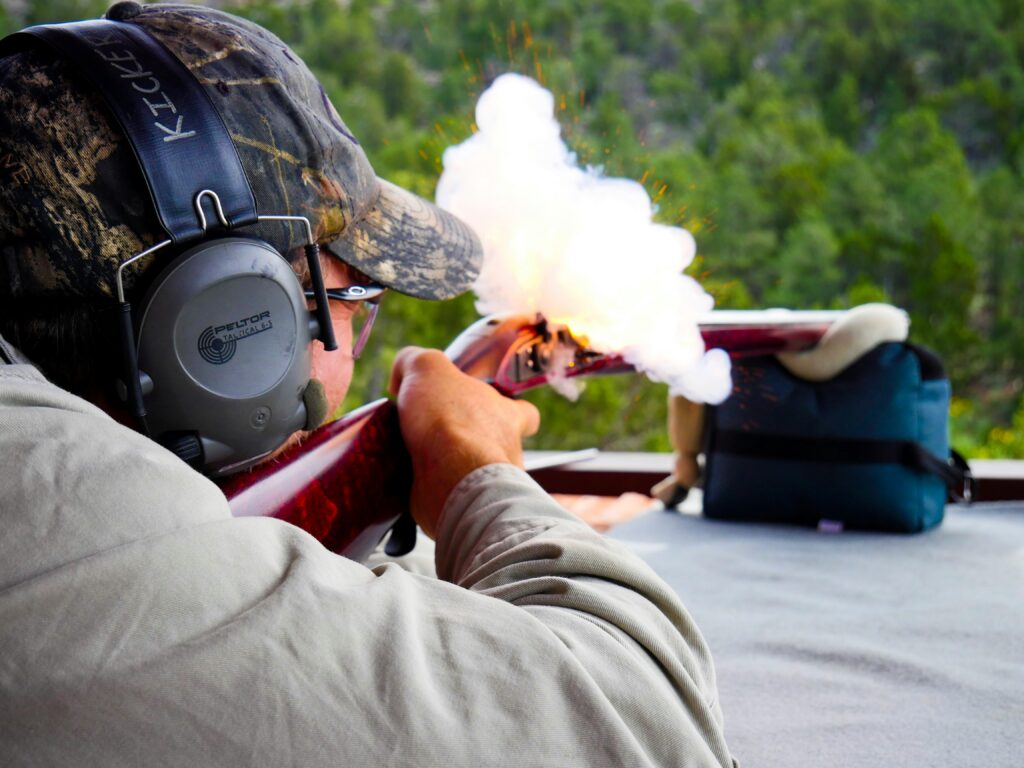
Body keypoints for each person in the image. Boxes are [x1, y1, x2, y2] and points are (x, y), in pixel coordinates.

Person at [0, 3, 735, 766]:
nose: (353, 350)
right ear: (229, 326)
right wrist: (480, 474)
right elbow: (647, 724)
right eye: (353, 300)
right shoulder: (85, 535)